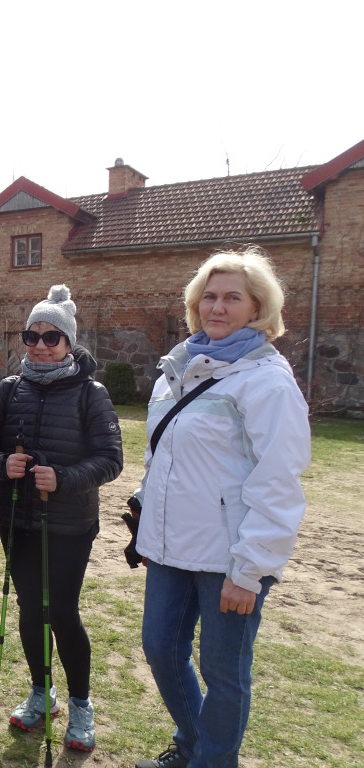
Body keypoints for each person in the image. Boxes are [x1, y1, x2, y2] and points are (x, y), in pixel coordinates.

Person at [132, 248, 310, 768]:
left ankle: (213, 761)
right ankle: (193, 747)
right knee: (161, 651)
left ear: (258, 308)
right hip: (169, 550)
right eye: (208, 296)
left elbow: (277, 482)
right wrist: (149, 528)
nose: (217, 306)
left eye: (232, 297)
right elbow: (159, 457)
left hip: (231, 559)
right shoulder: (178, 369)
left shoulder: (267, 380)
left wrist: (250, 570)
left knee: (223, 671)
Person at [0, 284, 123, 753]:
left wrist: (64, 478)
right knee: (29, 609)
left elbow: (110, 459)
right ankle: (42, 693)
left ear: (69, 343)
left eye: (50, 336)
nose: (38, 345)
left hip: (69, 523)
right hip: (16, 519)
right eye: (30, 336)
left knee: (60, 612)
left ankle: (80, 704)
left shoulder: (90, 393)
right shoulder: (8, 389)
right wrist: (2, 465)